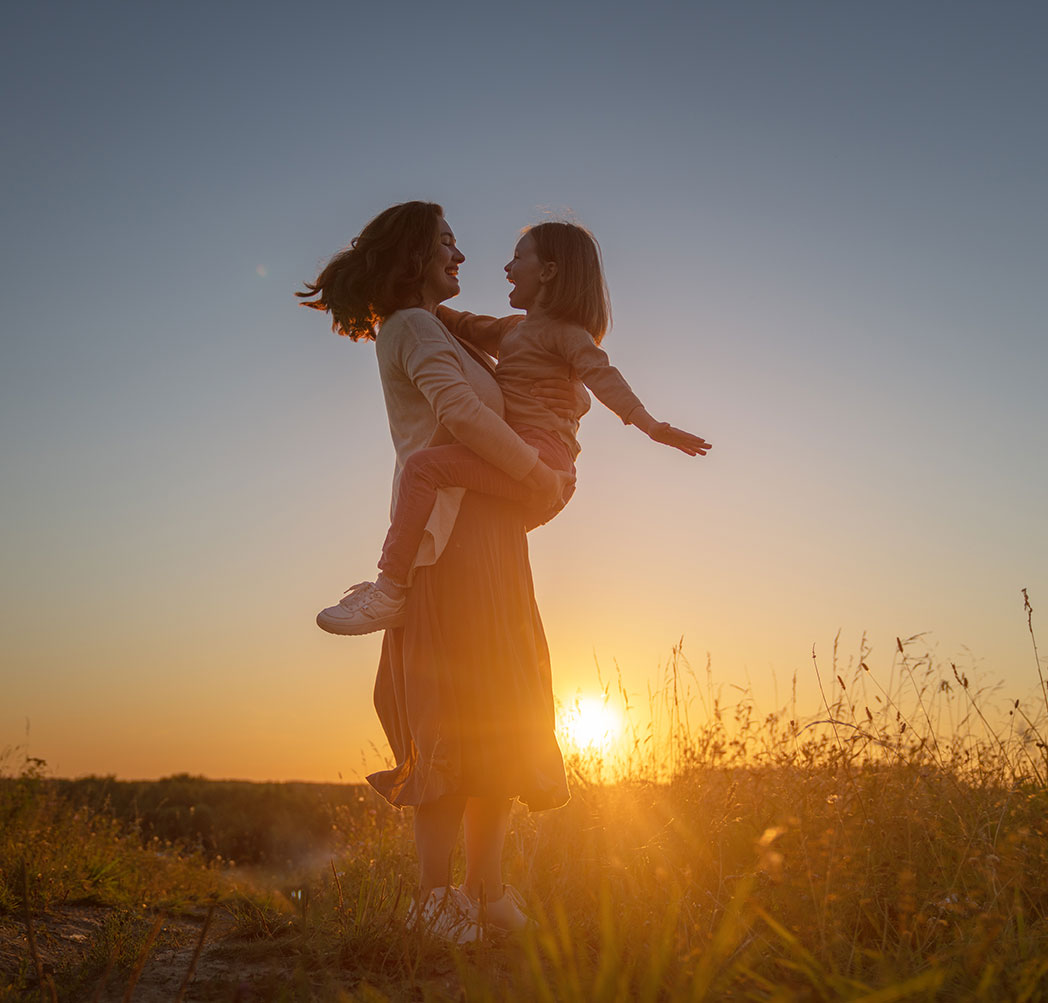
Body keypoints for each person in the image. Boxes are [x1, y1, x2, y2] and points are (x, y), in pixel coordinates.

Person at [298, 202, 584, 941]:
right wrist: (536, 473)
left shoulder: (441, 328)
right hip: (451, 548)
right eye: (446, 244)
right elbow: (457, 415)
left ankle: (486, 892)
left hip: (492, 540)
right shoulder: (413, 328)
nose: (461, 256)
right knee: (451, 716)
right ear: (414, 256)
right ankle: (434, 899)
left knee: (498, 716)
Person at [315, 220, 711, 636]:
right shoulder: (510, 331)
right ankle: (399, 586)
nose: (507, 266)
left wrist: (651, 426)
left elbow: (605, 377)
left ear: (549, 272)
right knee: (458, 510)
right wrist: (387, 286)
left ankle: (390, 588)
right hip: (522, 461)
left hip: (544, 458)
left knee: (423, 468)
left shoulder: (567, 336)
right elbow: (456, 321)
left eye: (519, 257)